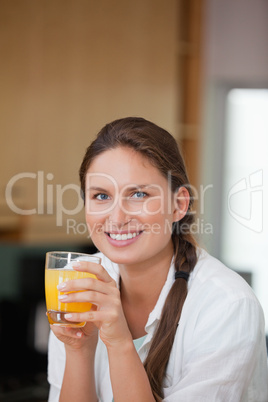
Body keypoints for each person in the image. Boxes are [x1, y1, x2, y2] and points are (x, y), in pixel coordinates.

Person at [47, 117, 268, 402]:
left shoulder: (227, 306)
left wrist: (119, 342)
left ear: (179, 205)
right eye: (101, 195)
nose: (117, 218)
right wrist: (79, 350)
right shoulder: (79, 283)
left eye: (139, 194)